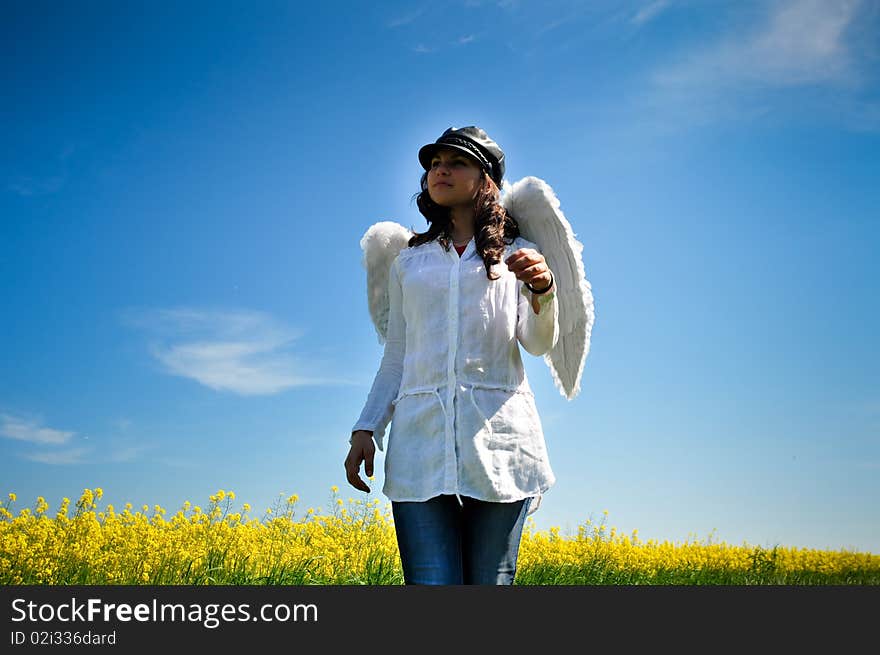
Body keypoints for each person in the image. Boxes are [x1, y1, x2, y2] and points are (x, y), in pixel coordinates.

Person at [345, 126, 560, 585]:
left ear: (487, 179)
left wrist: (543, 289)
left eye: (456, 162)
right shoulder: (408, 261)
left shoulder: (520, 254)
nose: (439, 169)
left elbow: (538, 343)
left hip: (501, 447)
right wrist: (367, 426)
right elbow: (397, 354)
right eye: (434, 163)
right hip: (420, 448)